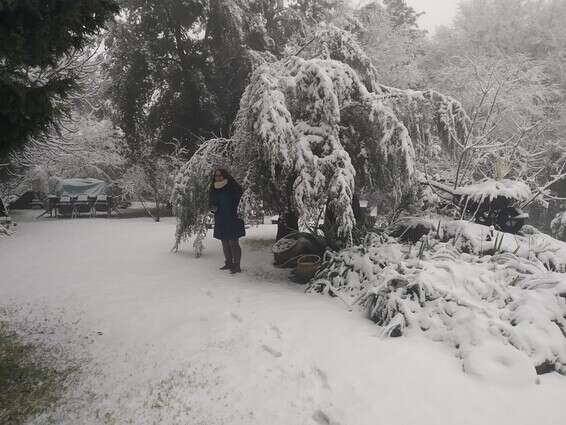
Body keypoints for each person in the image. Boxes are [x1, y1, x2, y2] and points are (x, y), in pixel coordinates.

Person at [209, 168, 245, 273]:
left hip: (233, 217)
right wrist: (212, 208)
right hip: (220, 218)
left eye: (220, 175)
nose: (218, 177)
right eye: (216, 176)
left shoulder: (232, 186)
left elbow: (241, 200)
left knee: (233, 242)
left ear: (224, 176)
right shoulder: (213, 188)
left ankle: (237, 265)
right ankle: (228, 263)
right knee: (224, 242)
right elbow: (211, 202)